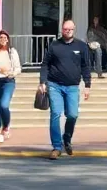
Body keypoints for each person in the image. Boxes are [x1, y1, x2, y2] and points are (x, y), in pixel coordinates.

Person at [38, 19, 91, 160]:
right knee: (55, 113)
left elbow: (86, 66)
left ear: (74, 30)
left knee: (72, 115)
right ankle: (56, 147)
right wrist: (42, 82)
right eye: (65, 29)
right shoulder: (55, 45)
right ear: (62, 30)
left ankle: (66, 138)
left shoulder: (81, 46)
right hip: (55, 85)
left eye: (70, 29)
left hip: (73, 86)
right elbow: (45, 64)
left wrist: (87, 85)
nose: (67, 31)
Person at [0, 31, 21, 143]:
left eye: (5, 38)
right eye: (1, 37)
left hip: (8, 81)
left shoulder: (12, 52)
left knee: (4, 105)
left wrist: (10, 73)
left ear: (8, 39)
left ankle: (6, 127)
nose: (3, 39)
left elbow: (18, 68)